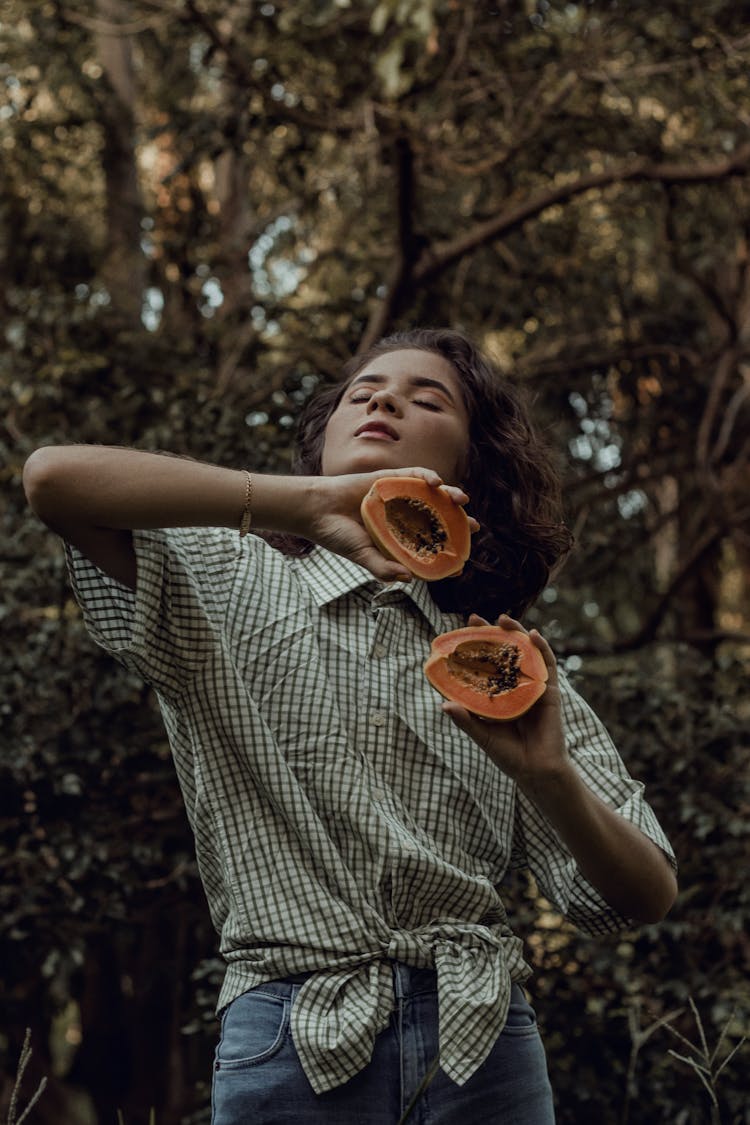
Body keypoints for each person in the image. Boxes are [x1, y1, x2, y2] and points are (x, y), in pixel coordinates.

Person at [23, 327, 677, 1124]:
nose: (383, 398)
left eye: (428, 397)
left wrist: (552, 781)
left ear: (472, 467)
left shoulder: (509, 663)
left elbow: (646, 892)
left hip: (484, 1038)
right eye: (361, 390)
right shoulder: (228, 580)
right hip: (292, 1031)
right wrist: (304, 501)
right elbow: (52, 479)